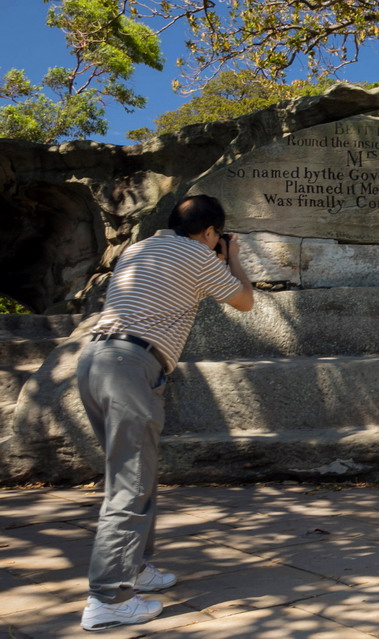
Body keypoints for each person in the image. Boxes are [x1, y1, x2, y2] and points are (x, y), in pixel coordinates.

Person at [77, 194, 254, 631]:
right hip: (132, 366)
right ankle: (108, 599)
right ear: (211, 231)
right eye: (216, 236)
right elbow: (245, 301)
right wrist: (232, 257)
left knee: (135, 474)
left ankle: (135, 568)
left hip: (94, 362)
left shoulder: (138, 248)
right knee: (131, 483)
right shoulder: (198, 254)